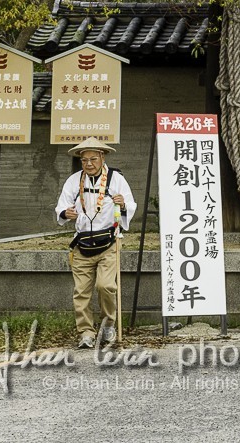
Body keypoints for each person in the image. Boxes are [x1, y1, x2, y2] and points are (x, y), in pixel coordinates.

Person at [54, 137, 136, 349]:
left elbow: (130, 204)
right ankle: (86, 332)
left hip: (109, 241)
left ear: (102, 157)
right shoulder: (74, 180)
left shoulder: (116, 179)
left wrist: (123, 203)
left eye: (93, 159)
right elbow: (61, 207)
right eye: (84, 160)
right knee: (81, 291)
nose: (88, 164)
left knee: (106, 285)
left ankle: (108, 325)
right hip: (82, 243)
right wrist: (66, 212)